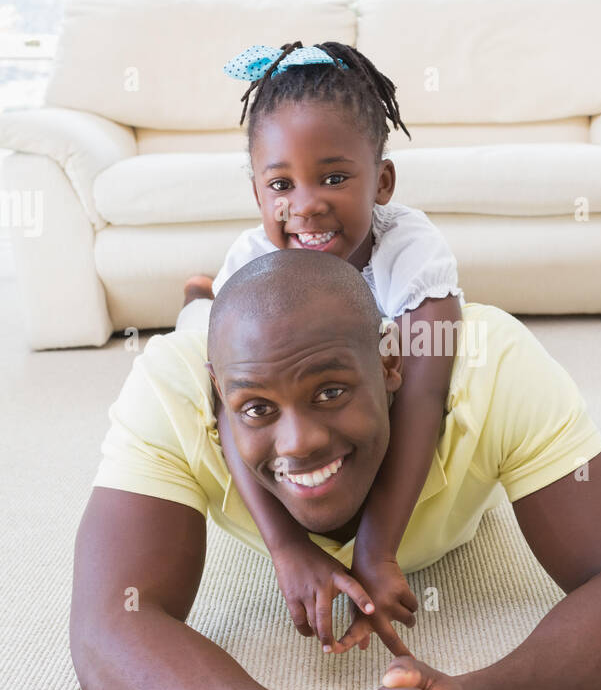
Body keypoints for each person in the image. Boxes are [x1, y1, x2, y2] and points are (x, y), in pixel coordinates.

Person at [70, 251, 601, 690]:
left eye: (331, 391)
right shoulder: (171, 385)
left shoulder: (490, 362)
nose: (300, 441)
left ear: (391, 365)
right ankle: (198, 301)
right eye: (257, 408)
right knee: (196, 325)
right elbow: (108, 627)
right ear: (219, 395)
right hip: (202, 345)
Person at [178, 40, 464, 656]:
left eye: (334, 178)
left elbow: (424, 391)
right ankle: (200, 302)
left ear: (382, 181)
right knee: (189, 347)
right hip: (253, 325)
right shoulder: (254, 260)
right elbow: (232, 405)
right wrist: (287, 546)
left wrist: (377, 546)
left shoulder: (407, 249)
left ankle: (200, 298)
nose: (305, 205)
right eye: (280, 183)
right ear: (257, 193)